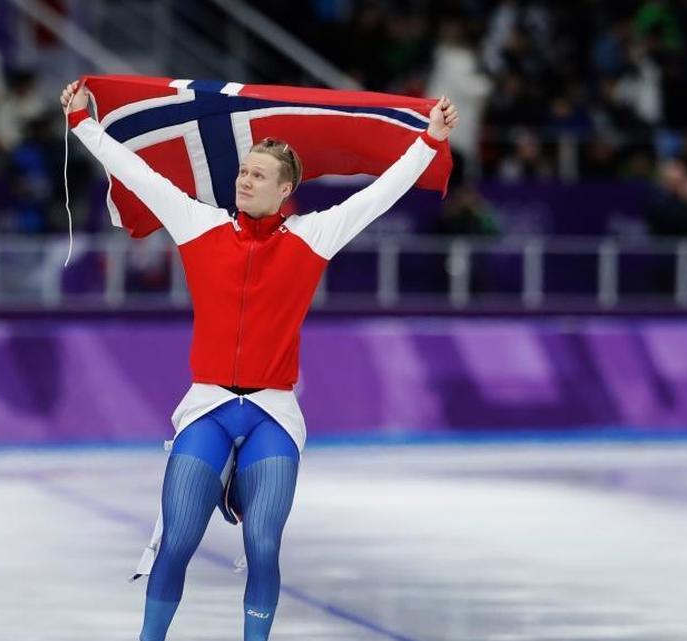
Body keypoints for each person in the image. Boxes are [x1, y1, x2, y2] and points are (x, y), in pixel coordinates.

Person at [59, 80, 458, 641]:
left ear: (285, 188)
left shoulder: (314, 235)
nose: (244, 181)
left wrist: (429, 141)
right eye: (243, 172)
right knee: (178, 540)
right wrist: (83, 124)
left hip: (272, 414)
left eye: (258, 175)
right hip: (208, 409)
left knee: (264, 545)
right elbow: (138, 173)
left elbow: (380, 195)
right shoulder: (199, 224)